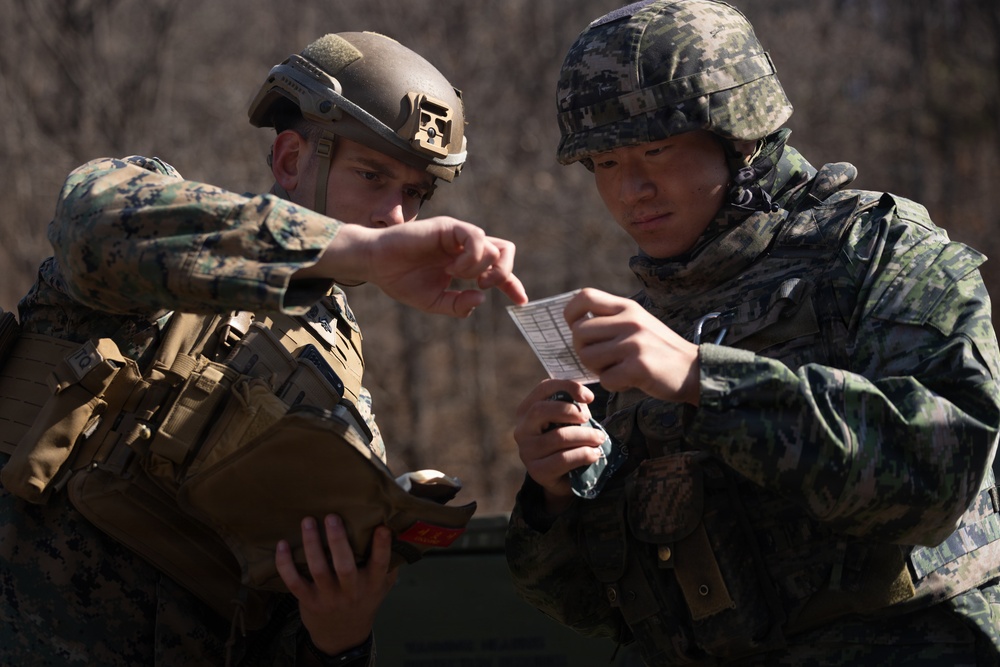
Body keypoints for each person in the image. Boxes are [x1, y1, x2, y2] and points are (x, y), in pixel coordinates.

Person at [0, 31, 526, 666]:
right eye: (372, 175)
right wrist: (353, 251)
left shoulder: (340, 398)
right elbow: (91, 227)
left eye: (414, 194)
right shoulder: (167, 235)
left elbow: (283, 632)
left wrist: (340, 631)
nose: (396, 214)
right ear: (288, 158)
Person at [505, 1, 1000, 665]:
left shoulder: (878, 252)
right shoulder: (642, 324)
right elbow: (600, 609)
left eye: (656, 150)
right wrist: (554, 497)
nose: (632, 190)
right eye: (605, 163)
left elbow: (941, 474)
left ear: (740, 135)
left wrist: (706, 381)